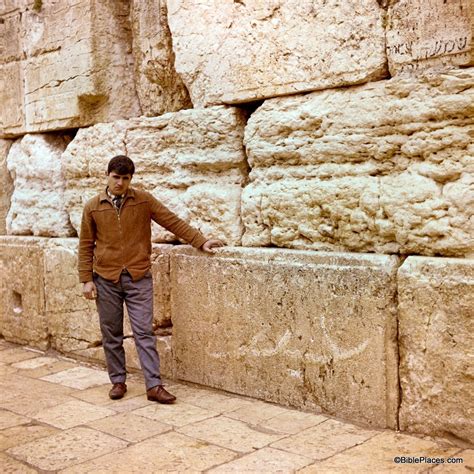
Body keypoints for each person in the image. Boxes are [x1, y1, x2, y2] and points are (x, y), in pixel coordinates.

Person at [78, 155, 223, 403]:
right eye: (116, 177)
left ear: (131, 179)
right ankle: (118, 381)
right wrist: (86, 279)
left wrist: (200, 241)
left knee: (144, 331)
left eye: (125, 178)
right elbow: (85, 244)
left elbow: (171, 220)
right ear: (107, 176)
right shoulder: (92, 207)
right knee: (111, 333)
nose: (120, 183)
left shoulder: (143, 200)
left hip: (138, 277)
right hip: (106, 279)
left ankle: (154, 386)